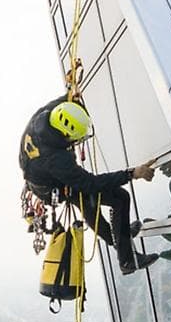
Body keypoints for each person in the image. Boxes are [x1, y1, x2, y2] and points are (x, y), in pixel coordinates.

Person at [19, 94, 159, 275]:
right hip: (52, 186)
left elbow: (66, 99)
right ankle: (127, 259)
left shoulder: (48, 113)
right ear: (65, 134)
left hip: (41, 177)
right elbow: (91, 183)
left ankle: (119, 236)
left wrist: (72, 94)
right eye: (74, 139)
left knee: (92, 204)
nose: (76, 142)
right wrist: (132, 174)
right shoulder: (55, 158)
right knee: (117, 197)